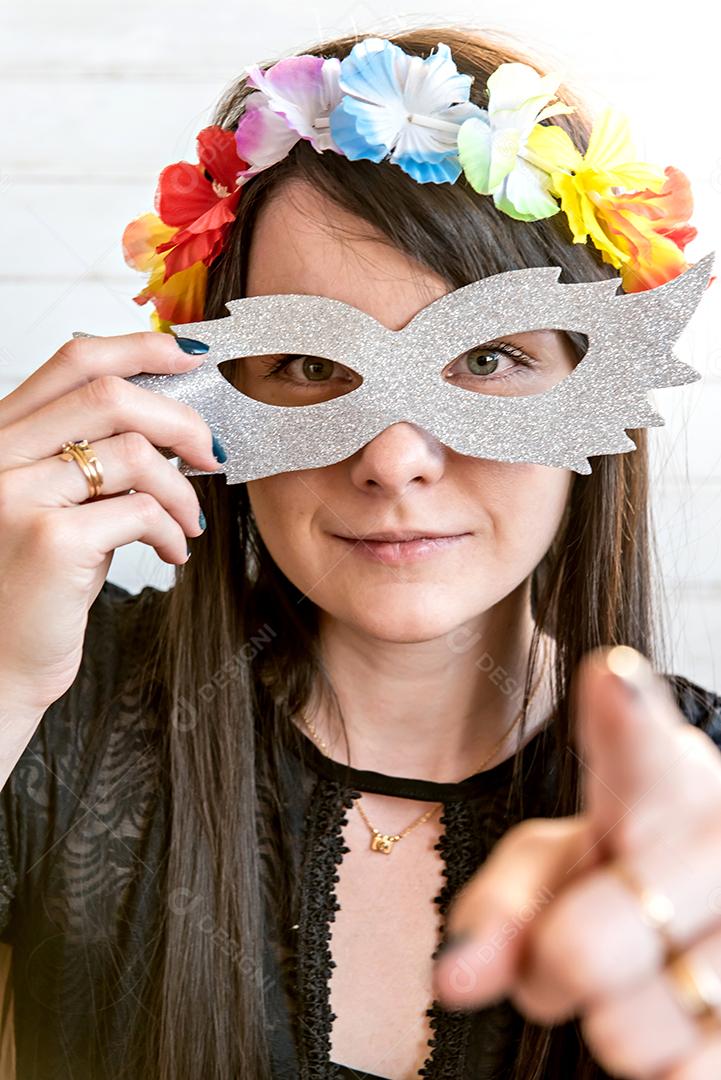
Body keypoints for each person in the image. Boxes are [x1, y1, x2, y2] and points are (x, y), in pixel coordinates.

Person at [0, 22, 719, 1080]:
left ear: (597, 385)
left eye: (484, 357)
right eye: (305, 363)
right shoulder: (55, 697)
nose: (393, 461)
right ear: (198, 396)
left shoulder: (698, 801)